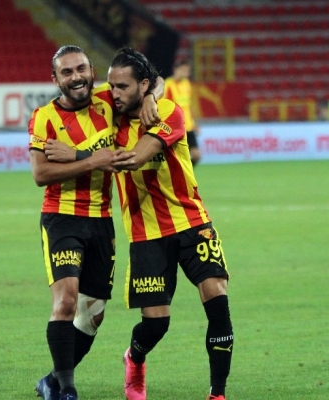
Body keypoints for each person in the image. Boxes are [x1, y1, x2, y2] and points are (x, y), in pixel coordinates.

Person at [28, 45, 163, 400]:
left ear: (92, 71)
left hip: (101, 221)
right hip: (62, 218)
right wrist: (92, 161)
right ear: (55, 79)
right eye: (67, 72)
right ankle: (67, 391)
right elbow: (40, 173)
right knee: (66, 301)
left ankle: (52, 381)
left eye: (81, 69)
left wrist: (151, 96)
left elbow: (153, 80)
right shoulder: (44, 117)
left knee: (92, 316)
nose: (76, 77)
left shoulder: (107, 100)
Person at [110, 48, 233, 400]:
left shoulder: (169, 112)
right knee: (156, 324)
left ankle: (218, 394)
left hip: (192, 222)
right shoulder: (108, 116)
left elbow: (136, 158)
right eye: (111, 86)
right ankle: (135, 357)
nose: (114, 93)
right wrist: (152, 90)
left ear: (142, 85)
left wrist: (153, 95)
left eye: (122, 86)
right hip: (146, 233)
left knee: (218, 300)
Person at [164, 60, 201, 165]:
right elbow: (164, 107)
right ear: (176, 70)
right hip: (175, 127)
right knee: (176, 157)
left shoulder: (186, 84)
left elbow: (188, 105)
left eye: (188, 71)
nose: (187, 73)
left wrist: (194, 123)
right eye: (184, 70)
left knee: (196, 155)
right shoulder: (168, 85)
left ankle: (184, 173)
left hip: (188, 126)